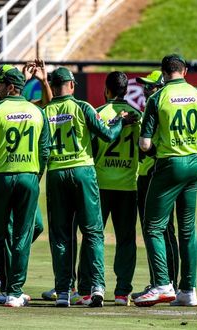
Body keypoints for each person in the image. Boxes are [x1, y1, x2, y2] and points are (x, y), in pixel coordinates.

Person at [135, 54, 197, 307]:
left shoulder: (157, 97)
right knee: (187, 229)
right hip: (193, 165)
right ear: (184, 71)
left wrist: (156, 154)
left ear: (163, 73)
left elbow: (145, 143)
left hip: (168, 164)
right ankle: (188, 290)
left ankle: (162, 284)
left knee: (153, 226)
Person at [45, 67, 131, 307]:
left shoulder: (45, 111)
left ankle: (63, 291)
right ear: (72, 85)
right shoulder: (83, 107)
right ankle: (97, 287)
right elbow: (106, 135)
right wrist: (119, 122)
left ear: (53, 86)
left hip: (56, 173)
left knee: (61, 235)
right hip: (83, 171)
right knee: (93, 231)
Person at [0, 67, 50, 307]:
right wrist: (35, 178)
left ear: (10, 87)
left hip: (1, 178)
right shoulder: (37, 112)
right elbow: (45, 150)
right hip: (28, 176)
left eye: (2, 84)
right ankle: (14, 293)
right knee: (21, 237)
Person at [93, 71, 142, 306]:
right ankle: (123, 292)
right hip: (127, 185)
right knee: (126, 240)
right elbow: (145, 148)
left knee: (95, 237)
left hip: (100, 184)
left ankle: (94, 287)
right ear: (127, 90)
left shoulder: (98, 113)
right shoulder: (137, 115)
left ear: (107, 90)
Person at [131, 70, 180, 301]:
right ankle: (159, 281)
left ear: (160, 87)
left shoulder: (161, 109)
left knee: (163, 230)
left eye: (150, 87)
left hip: (156, 174)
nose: (145, 90)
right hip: (147, 174)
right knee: (155, 230)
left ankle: (169, 282)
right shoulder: (150, 110)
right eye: (144, 87)